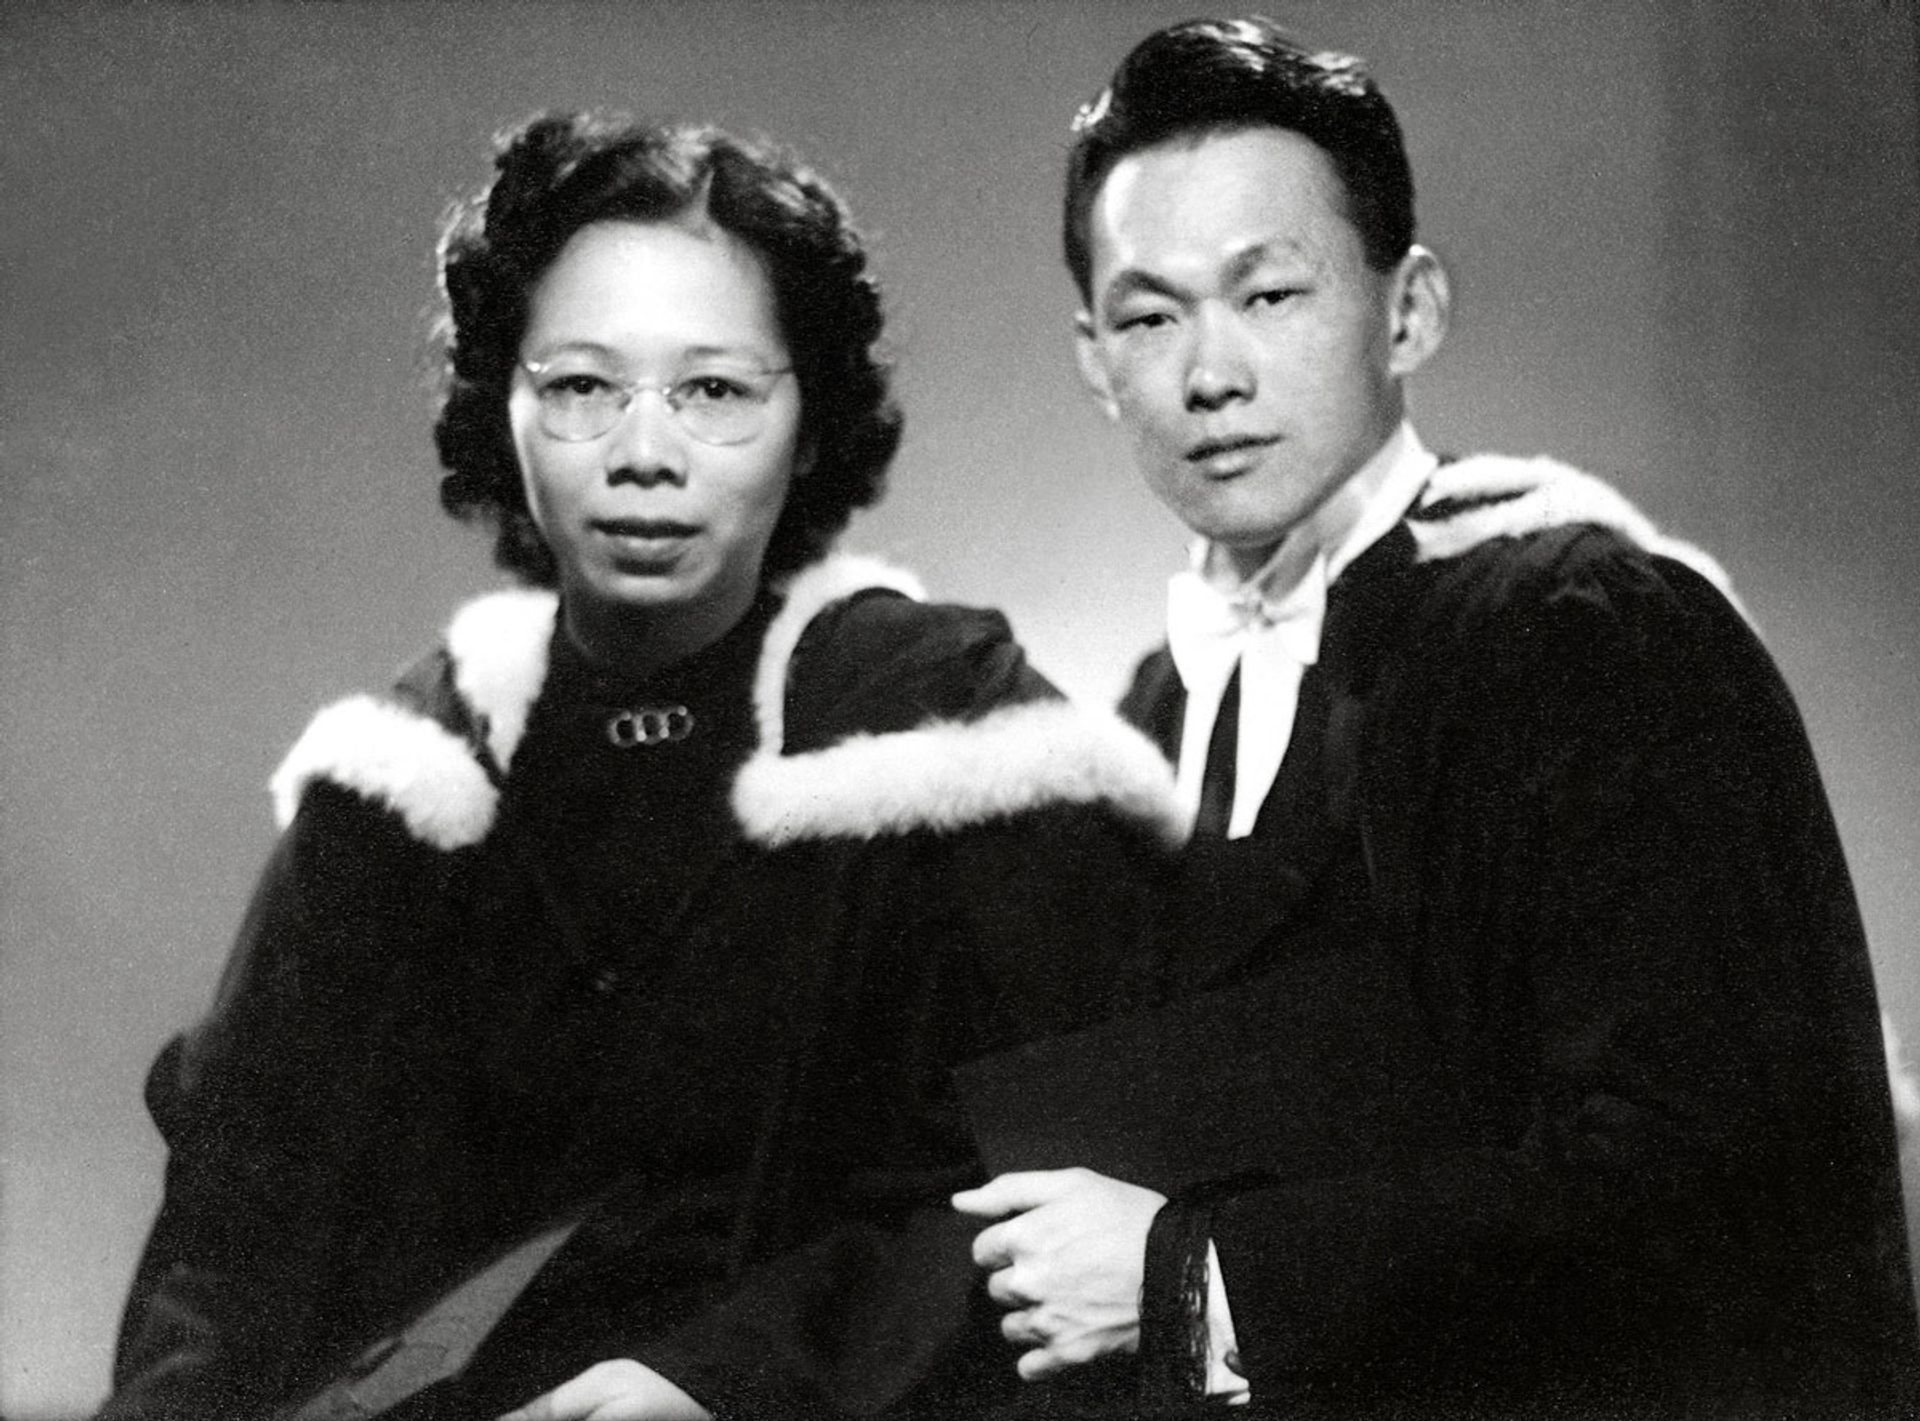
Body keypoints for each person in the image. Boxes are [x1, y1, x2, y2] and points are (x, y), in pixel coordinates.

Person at [100, 111, 1182, 1421]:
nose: (644, 453)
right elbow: (225, 1243)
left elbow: (1059, 1204)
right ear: (502, 408)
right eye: (581, 387)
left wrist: (726, 1378)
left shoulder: (945, 729)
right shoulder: (410, 772)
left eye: (715, 390)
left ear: (810, 421)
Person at [953, 17, 1920, 1418]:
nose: (1211, 373)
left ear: (1408, 310)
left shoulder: (1590, 624)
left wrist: (1199, 1273)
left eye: (1270, 294)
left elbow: (1720, 1187)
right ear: (1096, 362)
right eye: (1152, 316)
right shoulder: (1159, 707)